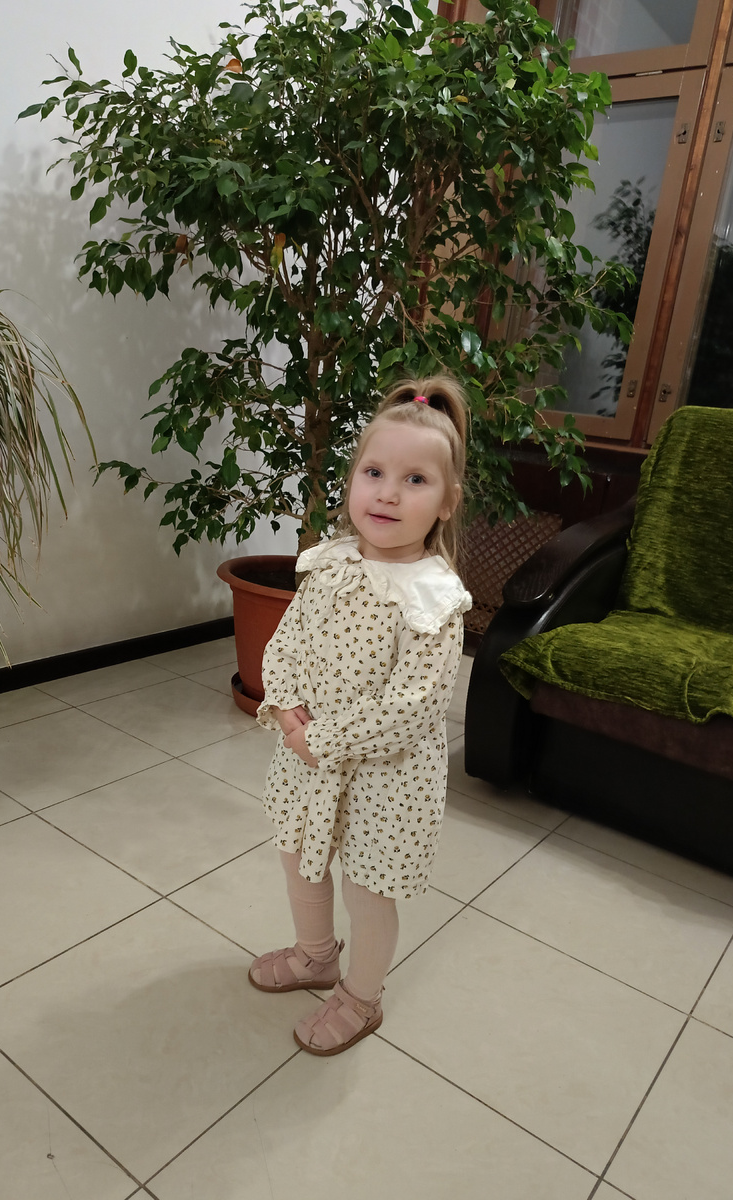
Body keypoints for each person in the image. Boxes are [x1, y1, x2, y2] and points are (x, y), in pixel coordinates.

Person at [251, 375, 472, 1056]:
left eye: (415, 480)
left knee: (369, 888)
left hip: (386, 778)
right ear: (353, 478)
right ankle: (316, 955)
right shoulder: (331, 563)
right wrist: (286, 710)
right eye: (374, 472)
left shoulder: (434, 599)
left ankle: (361, 996)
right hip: (306, 754)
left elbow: (412, 707)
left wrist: (322, 737)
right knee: (299, 856)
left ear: (446, 502)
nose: (387, 493)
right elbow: (287, 641)